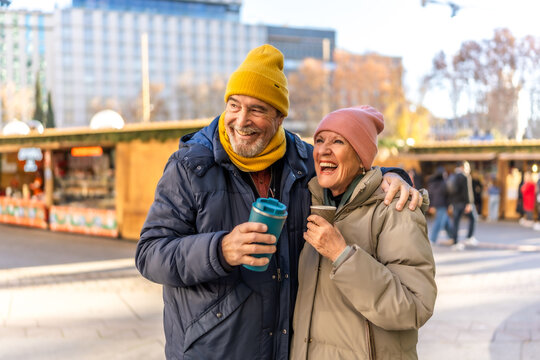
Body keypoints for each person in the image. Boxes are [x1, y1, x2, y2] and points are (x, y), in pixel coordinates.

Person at [135, 44, 424, 360]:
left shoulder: (301, 161)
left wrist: (395, 176)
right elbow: (150, 254)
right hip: (211, 350)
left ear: (279, 116)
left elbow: (352, 164)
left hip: (282, 348)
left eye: (257, 109)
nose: (241, 120)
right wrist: (220, 249)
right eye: (234, 105)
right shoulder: (190, 166)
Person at [290, 106, 436, 359]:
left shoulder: (396, 209)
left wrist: (342, 255)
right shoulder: (309, 201)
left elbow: (415, 307)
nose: (323, 149)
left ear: (361, 157)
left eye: (338, 141)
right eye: (319, 140)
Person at [447, 161, 478, 250]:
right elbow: (468, 191)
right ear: (463, 167)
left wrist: (450, 203)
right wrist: (469, 203)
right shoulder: (465, 176)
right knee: (473, 218)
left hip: (455, 203)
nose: (469, 169)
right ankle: (469, 237)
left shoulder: (452, 176)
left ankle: (455, 242)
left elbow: (450, 191)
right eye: (468, 166)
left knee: (455, 222)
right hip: (464, 203)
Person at [427, 166, 453, 244]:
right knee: (439, 222)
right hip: (443, 205)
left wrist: (431, 205)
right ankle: (432, 239)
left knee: (446, 222)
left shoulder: (432, 182)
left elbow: (430, 195)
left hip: (436, 204)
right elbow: (448, 195)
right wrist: (450, 205)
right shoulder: (445, 182)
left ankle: (452, 237)